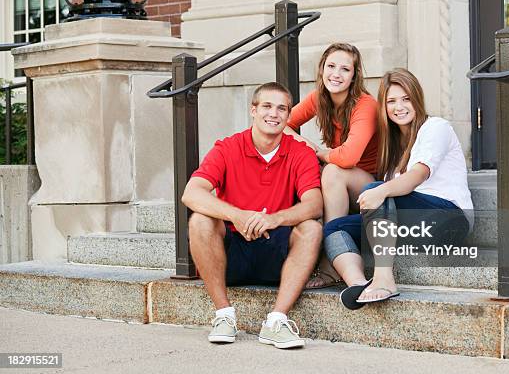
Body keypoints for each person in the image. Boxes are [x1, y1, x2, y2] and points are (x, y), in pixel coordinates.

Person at [182, 82, 323, 348]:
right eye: (267, 106)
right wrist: (237, 215)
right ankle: (224, 316)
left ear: (289, 115)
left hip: (276, 251)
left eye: (282, 109)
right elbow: (192, 193)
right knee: (200, 220)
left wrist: (274, 218)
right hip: (232, 252)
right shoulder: (228, 147)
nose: (274, 114)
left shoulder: (300, 152)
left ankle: (276, 321)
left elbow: (314, 204)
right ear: (253, 110)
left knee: (312, 228)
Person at [322, 68, 474, 309]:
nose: (399, 107)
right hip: (411, 228)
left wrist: (379, 191)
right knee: (333, 228)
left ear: (417, 99)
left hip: (448, 219)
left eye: (406, 99)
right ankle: (358, 283)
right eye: (391, 101)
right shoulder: (392, 147)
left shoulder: (436, 127)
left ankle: (384, 278)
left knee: (379, 190)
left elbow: (416, 176)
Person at [284, 43, 379, 289]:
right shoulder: (319, 98)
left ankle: (329, 263)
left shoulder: (365, 104)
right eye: (331, 66)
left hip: (371, 185)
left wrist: (321, 153)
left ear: (354, 75)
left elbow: (348, 158)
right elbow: (281, 124)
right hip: (340, 179)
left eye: (345, 69)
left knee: (333, 171)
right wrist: (310, 148)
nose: (336, 74)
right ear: (321, 69)